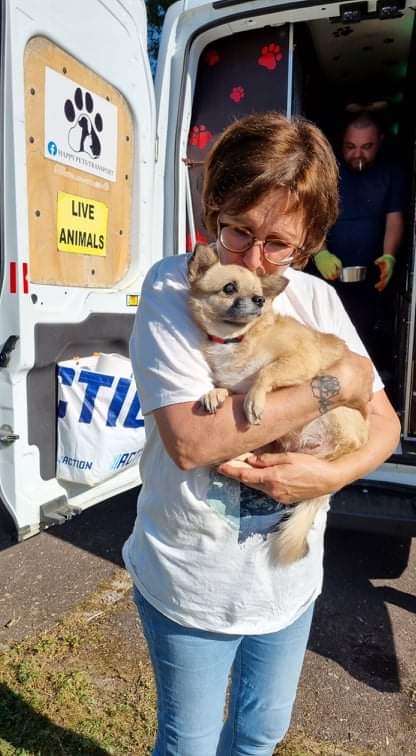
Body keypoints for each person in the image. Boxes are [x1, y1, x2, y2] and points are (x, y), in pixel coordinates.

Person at [123, 112, 400, 756]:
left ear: (308, 243)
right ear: (214, 210)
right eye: (238, 232)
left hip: (289, 584)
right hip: (192, 583)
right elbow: (193, 442)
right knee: (187, 744)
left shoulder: (317, 301)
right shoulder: (178, 285)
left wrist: (329, 475)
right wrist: (338, 384)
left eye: (279, 245)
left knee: (258, 737)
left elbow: (384, 425)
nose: (252, 262)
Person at [313, 113, 406, 366]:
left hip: (371, 277)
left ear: (380, 141)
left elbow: (394, 218)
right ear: (341, 143)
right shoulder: (328, 170)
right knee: (325, 336)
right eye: (351, 147)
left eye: (367, 147)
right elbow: (312, 215)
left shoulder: (391, 171)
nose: (358, 155)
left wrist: (389, 256)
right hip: (327, 275)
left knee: (363, 337)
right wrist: (319, 252)